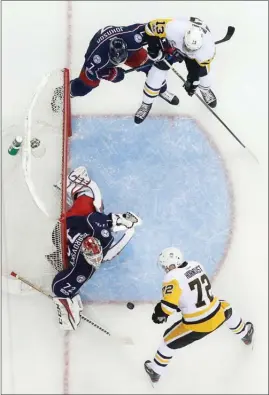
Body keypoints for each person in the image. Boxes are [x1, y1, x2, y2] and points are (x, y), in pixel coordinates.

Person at [50, 166, 142, 330]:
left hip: (68, 226)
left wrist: (121, 222)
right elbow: (57, 288)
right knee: (94, 203)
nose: (98, 259)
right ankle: (76, 188)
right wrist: (65, 303)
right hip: (63, 231)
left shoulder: (100, 236)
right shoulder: (84, 269)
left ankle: (77, 190)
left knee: (91, 201)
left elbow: (101, 219)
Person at [144, 247, 254, 383]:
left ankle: (155, 371)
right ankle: (245, 334)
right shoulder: (196, 265)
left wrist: (158, 314)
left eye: (166, 266)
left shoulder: (171, 277)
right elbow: (193, 293)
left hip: (197, 325)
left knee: (167, 341)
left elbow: (167, 308)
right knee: (226, 307)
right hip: (217, 313)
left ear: (171, 264)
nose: (165, 269)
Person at [51, 24, 178, 112]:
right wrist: (113, 75)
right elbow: (93, 73)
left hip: (125, 46)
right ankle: (66, 92)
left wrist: (165, 46)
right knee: (86, 86)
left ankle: (161, 90)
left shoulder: (133, 38)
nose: (122, 63)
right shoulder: (96, 59)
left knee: (152, 67)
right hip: (99, 46)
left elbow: (152, 28)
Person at [135, 17, 217, 124]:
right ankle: (146, 103)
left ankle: (205, 90)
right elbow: (150, 27)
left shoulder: (208, 50)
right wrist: (154, 49)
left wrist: (193, 80)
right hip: (173, 47)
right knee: (156, 74)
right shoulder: (173, 28)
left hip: (194, 56)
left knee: (204, 74)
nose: (187, 51)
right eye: (187, 47)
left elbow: (194, 66)